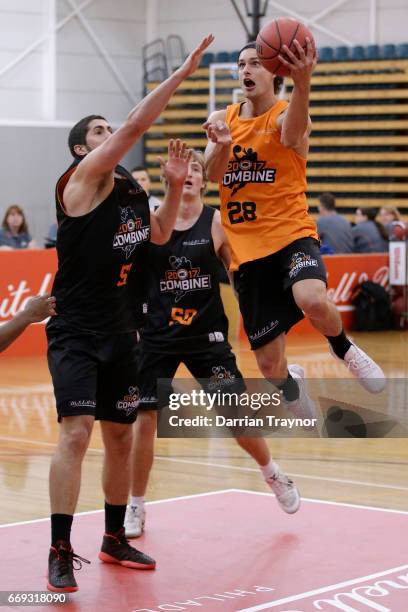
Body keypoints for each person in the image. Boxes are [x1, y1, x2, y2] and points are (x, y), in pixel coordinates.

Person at [45, 34, 214, 593]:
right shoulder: (81, 183)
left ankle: (114, 536)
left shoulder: (131, 190)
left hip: (123, 331)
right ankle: (60, 547)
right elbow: (135, 128)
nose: (108, 132)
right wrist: (184, 73)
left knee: (121, 437)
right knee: (77, 433)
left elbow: (161, 234)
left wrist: (168, 188)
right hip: (75, 331)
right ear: (82, 151)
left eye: (105, 128)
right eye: (98, 131)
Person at [203, 39, 385, 417]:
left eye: (255, 63)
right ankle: (291, 385)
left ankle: (343, 349)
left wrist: (304, 83)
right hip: (247, 252)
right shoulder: (225, 119)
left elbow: (291, 136)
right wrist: (220, 146)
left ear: (274, 73)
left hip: (290, 234)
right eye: (241, 64)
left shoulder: (288, 114)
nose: (246, 70)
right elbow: (211, 174)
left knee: (313, 299)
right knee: (270, 367)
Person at [124, 150, 301, 539]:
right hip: (157, 339)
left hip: (207, 340)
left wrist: (265, 320)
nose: (189, 174)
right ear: (170, 177)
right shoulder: (153, 222)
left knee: (236, 417)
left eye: (197, 169)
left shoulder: (217, 222)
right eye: (182, 169)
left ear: (204, 180)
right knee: (144, 421)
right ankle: (135, 505)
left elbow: (242, 277)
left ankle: (273, 474)